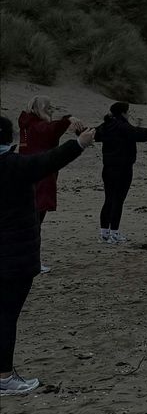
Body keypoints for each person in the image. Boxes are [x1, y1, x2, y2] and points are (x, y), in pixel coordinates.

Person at [1, 115, 96, 394]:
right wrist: (79, 143)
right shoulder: (14, 166)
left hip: (11, 255)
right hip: (14, 257)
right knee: (6, 316)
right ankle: (4, 377)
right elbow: (48, 161)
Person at [18, 97, 82, 259]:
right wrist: (67, 120)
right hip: (40, 178)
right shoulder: (36, 126)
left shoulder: (27, 125)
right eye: (49, 108)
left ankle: (29, 258)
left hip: (27, 176)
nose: (51, 111)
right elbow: (50, 130)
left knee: (30, 222)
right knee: (35, 222)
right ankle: (32, 259)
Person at [95, 103, 147, 243]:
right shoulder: (122, 126)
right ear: (123, 113)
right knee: (118, 200)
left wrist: (79, 130)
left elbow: (93, 134)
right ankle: (114, 232)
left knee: (109, 199)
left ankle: (104, 233)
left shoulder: (106, 125)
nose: (129, 114)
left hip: (108, 168)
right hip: (123, 168)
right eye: (128, 112)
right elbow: (138, 133)